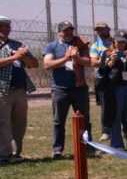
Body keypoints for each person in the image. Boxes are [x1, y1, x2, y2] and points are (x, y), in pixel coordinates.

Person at [43, 21, 92, 159]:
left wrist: (77, 58)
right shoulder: (52, 46)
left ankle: (87, 146)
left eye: (71, 30)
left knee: (84, 119)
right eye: (65, 30)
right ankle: (58, 149)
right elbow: (47, 64)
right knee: (59, 121)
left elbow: (89, 62)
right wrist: (66, 58)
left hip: (79, 88)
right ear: (59, 32)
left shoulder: (80, 44)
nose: (69, 32)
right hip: (60, 89)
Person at [0, 16, 38, 164]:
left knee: (20, 122)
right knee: (3, 122)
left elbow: (34, 64)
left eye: (7, 26)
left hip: (20, 89)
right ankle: (4, 155)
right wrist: (14, 57)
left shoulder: (18, 44)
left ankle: (16, 153)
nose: (6, 29)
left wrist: (23, 57)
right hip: (2, 89)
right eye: (2, 26)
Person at [97, 32, 127, 151]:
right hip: (115, 88)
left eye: (123, 41)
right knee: (116, 116)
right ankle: (117, 144)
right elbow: (102, 72)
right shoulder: (107, 53)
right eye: (119, 41)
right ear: (114, 42)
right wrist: (110, 62)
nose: (121, 44)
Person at [89, 22, 115, 141]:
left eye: (102, 29)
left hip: (116, 78)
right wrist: (107, 59)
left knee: (118, 104)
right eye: (98, 30)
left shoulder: (115, 42)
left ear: (108, 29)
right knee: (105, 106)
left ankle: (123, 129)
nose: (100, 32)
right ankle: (106, 131)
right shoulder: (95, 46)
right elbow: (94, 62)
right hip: (102, 79)